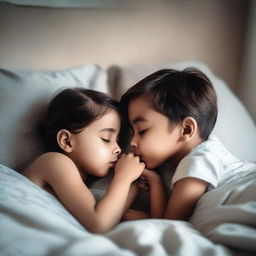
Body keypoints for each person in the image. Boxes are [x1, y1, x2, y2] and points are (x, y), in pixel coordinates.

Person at [120, 68, 256, 221]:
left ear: (186, 129)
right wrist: (155, 180)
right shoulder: (169, 166)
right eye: (133, 132)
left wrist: (144, 216)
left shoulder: (201, 157)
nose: (132, 142)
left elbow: (171, 222)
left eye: (142, 131)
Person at [23, 88, 145, 233]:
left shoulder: (83, 183)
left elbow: (110, 217)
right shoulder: (54, 162)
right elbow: (99, 225)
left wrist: (133, 185)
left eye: (118, 141)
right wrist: (123, 179)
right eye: (106, 139)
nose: (118, 149)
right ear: (67, 141)